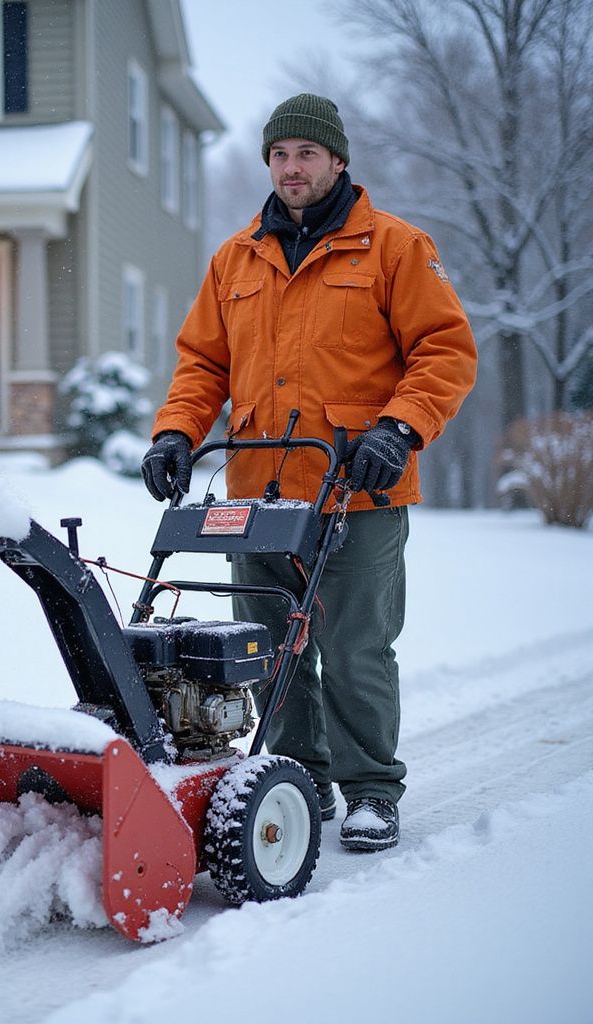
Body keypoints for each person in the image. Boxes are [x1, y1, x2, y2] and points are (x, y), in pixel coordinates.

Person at [141, 93, 477, 852]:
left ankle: (370, 793)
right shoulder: (236, 258)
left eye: (307, 154)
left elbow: (446, 352)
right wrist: (174, 433)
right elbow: (202, 364)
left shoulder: (395, 247)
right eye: (280, 155)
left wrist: (399, 428)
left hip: (359, 486)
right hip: (258, 489)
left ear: (337, 161)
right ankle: (301, 777)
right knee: (268, 648)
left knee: (355, 647)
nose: (292, 168)